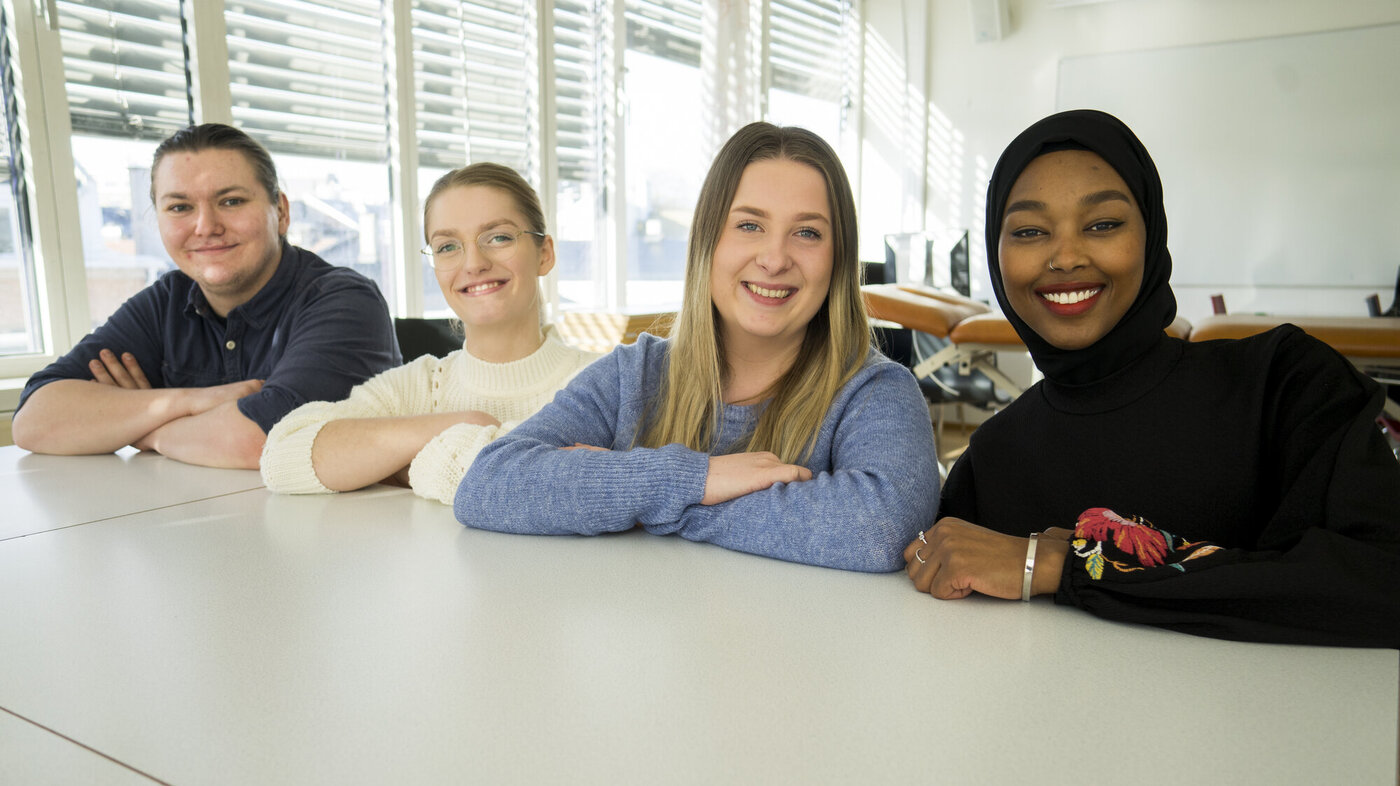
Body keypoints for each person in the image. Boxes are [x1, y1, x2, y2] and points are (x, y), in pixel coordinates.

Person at [904, 109, 1400, 647]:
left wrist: (1060, 564)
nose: (1066, 257)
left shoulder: (1284, 384)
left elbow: (1378, 577)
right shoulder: (994, 458)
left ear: (1151, 234)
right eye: (1028, 231)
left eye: (1103, 225)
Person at [455, 123, 938, 572]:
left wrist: (642, 501)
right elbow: (487, 485)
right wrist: (699, 478)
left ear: (838, 260)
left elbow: (882, 528)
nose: (774, 258)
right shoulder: (636, 374)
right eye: (749, 225)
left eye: (807, 232)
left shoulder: (875, 392)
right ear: (707, 241)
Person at [12, 123, 400, 469]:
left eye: (231, 201)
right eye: (180, 207)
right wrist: (188, 402)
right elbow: (34, 421)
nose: (205, 226)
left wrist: (143, 431)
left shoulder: (344, 300)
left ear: (279, 211)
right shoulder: (166, 300)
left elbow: (262, 441)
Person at [260, 163, 598, 504]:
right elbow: (282, 456)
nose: (473, 263)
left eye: (499, 237)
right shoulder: (415, 386)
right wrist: (468, 422)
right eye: (448, 246)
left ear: (545, 254)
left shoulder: (611, 382)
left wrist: (409, 467)